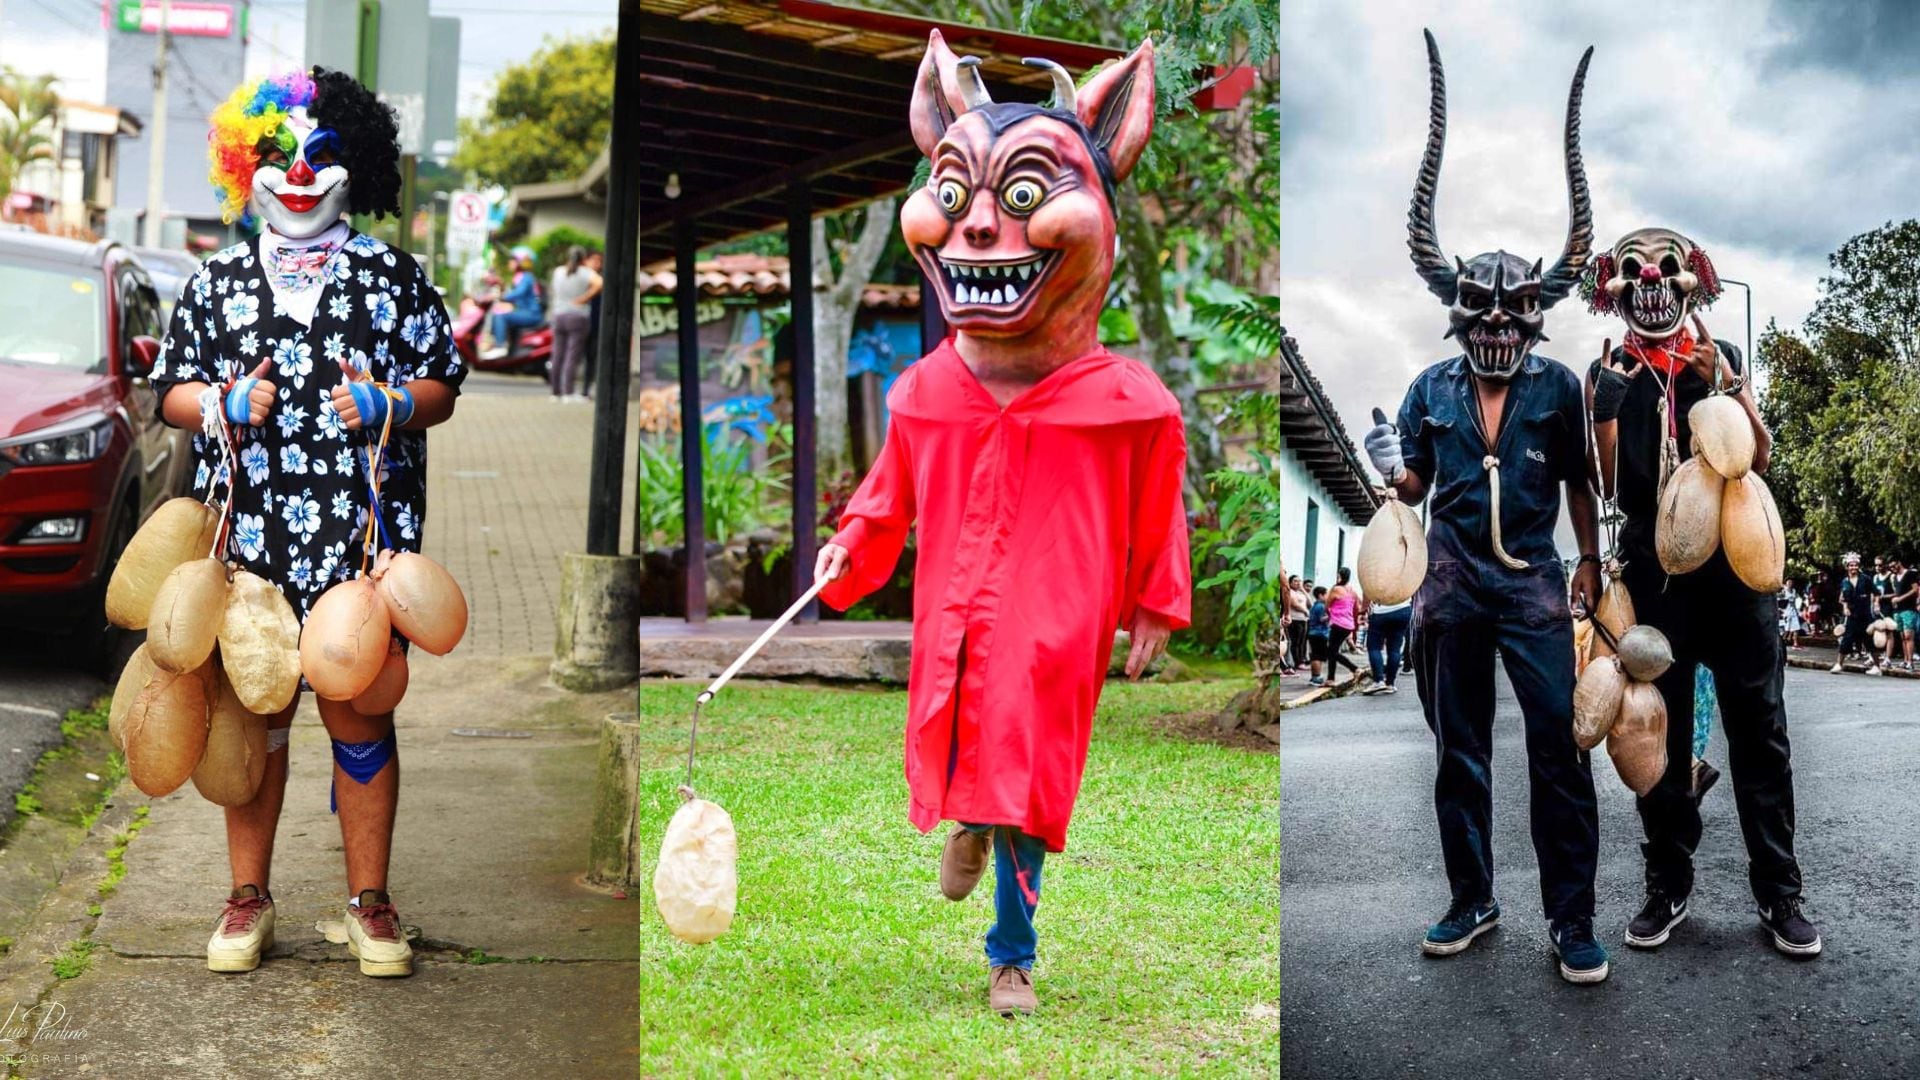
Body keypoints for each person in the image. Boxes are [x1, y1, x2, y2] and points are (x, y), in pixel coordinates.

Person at [813, 33, 1178, 1018]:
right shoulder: (927, 391)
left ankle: (1011, 951)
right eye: (955, 193)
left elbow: (1156, 502)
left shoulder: (1129, 401)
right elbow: (887, 495)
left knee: (1029, 761)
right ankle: (969, 818)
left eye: (1019, 197)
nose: (977, 227)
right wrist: (849, 543)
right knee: (969, 738)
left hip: (1055, 618)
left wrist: (1156, 601)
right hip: (956, 611)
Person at [153, 68, 465, 978]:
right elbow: (169, 389)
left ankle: (369, 905)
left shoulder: (393, 276)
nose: (299, 175)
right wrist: (216, 401)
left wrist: (393, 402)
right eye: (281, 157)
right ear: (245, 167)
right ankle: (248, 898)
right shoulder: (213, 283)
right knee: (255, 720)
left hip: (358, 545)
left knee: (360, 714)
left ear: (356, 169)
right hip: (243, 544)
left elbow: (443, 384)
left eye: (323, 157)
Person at [1365, 32, 1608, 984]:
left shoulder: (1558, 387)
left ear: (1538, 321)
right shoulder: (1430, 387)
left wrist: (1591, 565)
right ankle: (1473, 899)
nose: (1499, 328)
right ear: (1459, 319)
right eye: (1483, 316)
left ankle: (1572, 920)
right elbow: (1416, 487)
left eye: (1516, 316)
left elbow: (1583, 483)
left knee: (1560, 753)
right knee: (1459, 754)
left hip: (1538, 591)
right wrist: (1394, 467)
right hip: (1451, 588)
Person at [1586, 224, 1820, 957]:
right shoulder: (1608, 373)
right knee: (1654, 732)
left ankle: (1780, 893)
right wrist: (1605, 408)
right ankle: (1669, 883)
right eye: (1633, 271)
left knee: (1761, 734)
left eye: (1666, 268)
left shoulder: (1718, 359)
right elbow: (1607, 485)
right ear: (1613, 290)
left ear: (1694, 280)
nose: (1650, 281)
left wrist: (1733, 384)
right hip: (1658, 588)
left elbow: (1760, 454)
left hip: (1736, 580)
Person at [547, 245, 602, 401]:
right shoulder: (585, 273)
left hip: (559, 315)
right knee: (572, 356)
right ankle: (568, 392)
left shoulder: (558, 271)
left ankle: (555, 392)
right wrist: (585, 298)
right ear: (584, 259)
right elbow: (600, 283)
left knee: (557, 354)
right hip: (578, 316)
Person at [482, 246, 543, 360]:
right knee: (500, 314)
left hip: (531, 314)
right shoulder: (519, 277)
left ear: (521, 262)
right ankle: (510, 353)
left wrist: (502, 296)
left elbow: (519, 293)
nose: (510, 263)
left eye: (513, 260)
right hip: (523, 311)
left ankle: (500, 346)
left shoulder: (527, 277)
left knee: (500, 316)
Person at [1834, 554, 1877, 674]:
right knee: (1846, 640)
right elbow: (1843, 598)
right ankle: (1839, 664)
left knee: (1869, 641)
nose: (1854, 567)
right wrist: (1845, 607)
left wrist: (1876, 604)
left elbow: (1876, 592)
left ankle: (1877, 666)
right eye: (1851, 565)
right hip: (1852, 615)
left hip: (1865, 614)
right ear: (1847, 567)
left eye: (1856, 565)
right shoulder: (1844, 582)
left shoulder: (1866, 579)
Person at [1364, 593, 1412, 695]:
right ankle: (1390, 683)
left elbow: (1367, 589)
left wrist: (1363, 611)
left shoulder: (1377, 575)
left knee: (1374, 647)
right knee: (1395, 648)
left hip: (1381, 610)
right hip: (1403, 609)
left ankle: (1378, 681)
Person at [1323, 569, 1362, 684]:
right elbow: (1358, 606)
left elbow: (1327, 605)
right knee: (1333, 650)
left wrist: (1331, 614)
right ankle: (1330, 678)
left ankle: (1354, 668)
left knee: (1332, 652)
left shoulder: (1336, 589)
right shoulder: (1351, 590)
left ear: (1339, 576)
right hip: (1349, 624)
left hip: (1338, 623)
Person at [582, 249, 605, 400]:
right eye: (594, 260)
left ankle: (586, 389)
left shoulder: (601, 279)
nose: (597, 264)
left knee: (592, 358)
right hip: (580, 323)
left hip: (596, 325)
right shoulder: (581, 279)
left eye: (599, 261)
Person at [1890, 557, 1918, 671]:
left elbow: (1915, 589)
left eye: (1893, 566)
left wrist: (1900, 598)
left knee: (1908, 635)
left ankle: (1911, 661)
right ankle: (1906, 660)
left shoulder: (1910, 574)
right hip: (1898, 609)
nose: (1892, 569)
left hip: (1908, 608)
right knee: (1902, 636)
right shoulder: (1895, 577)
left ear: (1899, 563)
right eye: (1890, 567)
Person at [1306, 587, 1332, 686]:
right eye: (1326, 594)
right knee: (1318, 656)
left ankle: (1316, 676)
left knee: (1316, 655)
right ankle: (1316, 677)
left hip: (1314, 633)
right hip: (1319, 633)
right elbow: (1321, 619)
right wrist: (1331, 615)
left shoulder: (1314, 606)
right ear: (1320, 595)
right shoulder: (1321, 606)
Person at [1286, 576, 1312, 673]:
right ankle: (1297, 662)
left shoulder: (1300, 593)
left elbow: (1310, 604)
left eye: (1299, 581)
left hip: (1303, 620)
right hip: (1295, 619)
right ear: (1290, 582)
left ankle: (1301, 661)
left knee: (1302, 642)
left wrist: (1303, 590)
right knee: (1296, 642)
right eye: (1295, 581)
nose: (1297, 583)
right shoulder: (1290, 592)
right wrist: (1306, 611)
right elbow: (1295, 604)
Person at [1779, 578, 1805, 650]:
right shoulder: (1784, 591)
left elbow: (1798, 599)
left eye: (1791, 582)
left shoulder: (1794, 591)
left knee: (1796, 628)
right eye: (1788, 582)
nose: (1790, 583)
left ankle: (1795, 644)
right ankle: (1781, 642)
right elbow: (1780, 600)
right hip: (1787, 612)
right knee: (1787, 629)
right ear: (1786, 583)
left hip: (1793, 611)